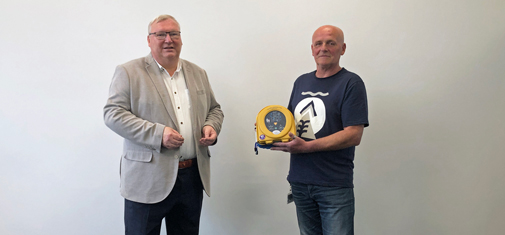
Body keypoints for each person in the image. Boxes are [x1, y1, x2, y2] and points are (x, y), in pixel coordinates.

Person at [103, 14, 224, 235]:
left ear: (181, 39)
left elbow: (214, 109)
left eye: (174, 34)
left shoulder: (198, 73)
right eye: (160, 34)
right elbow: (113, 114)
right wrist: (158, 135)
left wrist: (212, 127)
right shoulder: (129, 72)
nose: (168, 39)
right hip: (146, 180)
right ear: (149, 40)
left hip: (191, 178)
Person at [271, 25, 368, 235]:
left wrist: (307, 147)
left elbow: (354, 133)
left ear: (342, 49)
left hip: (333, 184)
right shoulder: (301, 82)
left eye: (330, 43)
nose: (323, 48)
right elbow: (289, 125)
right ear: (312, 49)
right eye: (318, 43)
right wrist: (269, 129)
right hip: (299, 181)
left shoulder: (351, 83)